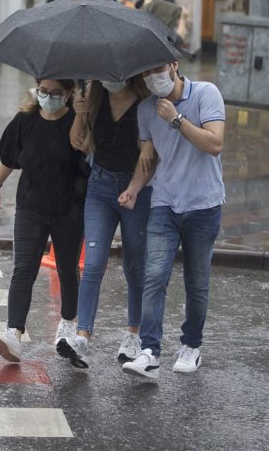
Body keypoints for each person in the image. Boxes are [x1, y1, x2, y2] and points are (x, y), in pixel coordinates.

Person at [118, 61, 225, 379]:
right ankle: (149, 352)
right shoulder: (146, 110)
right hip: (164, 203)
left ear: (175, 66)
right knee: (154, 276)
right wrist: (134, 189)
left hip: (204, 204)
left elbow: (215, 144)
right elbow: (148, 158)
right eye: (146, 72)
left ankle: (192, 345)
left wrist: (177, 120)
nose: (152, 77)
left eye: (158, 69)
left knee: (196, 281)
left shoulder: (206, 93)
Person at [0, 79, 87, 362]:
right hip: (31, 207)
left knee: (67, 269)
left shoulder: (76, 121)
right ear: (36, 90)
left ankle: (67, 325)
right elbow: (9, 156)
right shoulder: (25, 121)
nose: (49, 98)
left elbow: (87, 151)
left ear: (68, 93)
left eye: (56, 93)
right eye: (44, 91)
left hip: (69, 210)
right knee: (23, 269)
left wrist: (81, 116)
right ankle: (13, 334)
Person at [56, 76, 154, 366]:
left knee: (134, 265)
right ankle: (82, 335)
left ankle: (134, 334)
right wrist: (81, 113)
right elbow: (78, 142)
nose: (110, 77)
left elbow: (150, 156)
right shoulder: (95, 98)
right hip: (99, 187)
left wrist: (134, 188)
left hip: (137, 188)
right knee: (94, 261)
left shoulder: (145, 105)